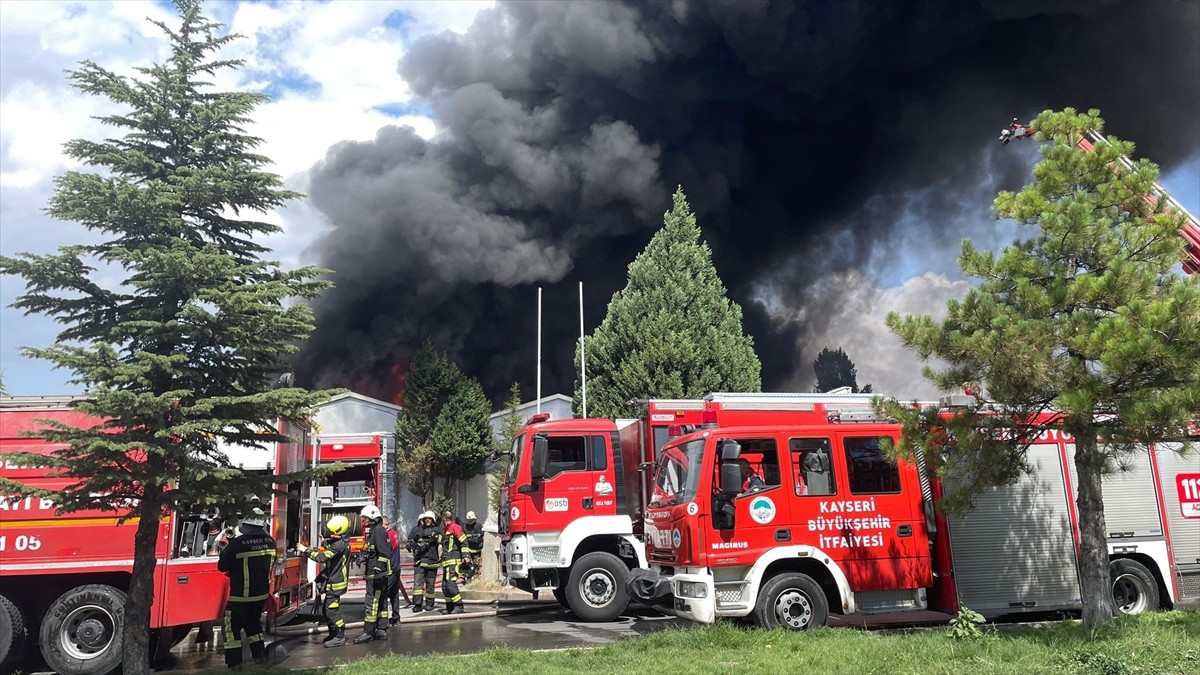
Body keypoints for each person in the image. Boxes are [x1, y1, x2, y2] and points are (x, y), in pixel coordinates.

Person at [216, 507, 276, 669]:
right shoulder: (270, 541)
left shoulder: (238, 543)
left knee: (230, 628)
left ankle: (235, 665)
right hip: (260, 594)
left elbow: (222, 566)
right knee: (253, 624)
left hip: (240, 596)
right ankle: (259, 657)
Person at [296, 515, 351, 648]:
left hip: (336, 583)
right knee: (327, 611)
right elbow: (332, 546)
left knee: (331, 611)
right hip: (335, 581)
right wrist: (323, 542)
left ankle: (339, 636)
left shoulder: (339, 545)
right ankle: (333, 634)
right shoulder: (343, 541)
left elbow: (322, 557)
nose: (331, 534)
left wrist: (305, 550)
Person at [354, 504, 393, 643]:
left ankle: (368, 632)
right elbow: (375, 551)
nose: (363, 521)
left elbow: (384, 552)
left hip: (376, 576)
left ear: (371, 517)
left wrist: (377, 568)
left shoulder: (378, 531)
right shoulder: (374, 531)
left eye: (364, 518)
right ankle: (381, 629)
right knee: (381, 603)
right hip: (378, 575)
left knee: (371, 603)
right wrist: (364, 556)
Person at [407, 511, 440, 612]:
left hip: (432, 562)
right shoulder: (418, 530)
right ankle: (417, 604)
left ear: (433, 520)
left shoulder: (437, 530)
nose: (427, 520)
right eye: (426, 518)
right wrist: (412, 545)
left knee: (430, 585)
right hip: (419, 562)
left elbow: (443, 540)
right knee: (417, 585)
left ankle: (429, 604)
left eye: (429, 518)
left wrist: (435, 537)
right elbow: (410, 542)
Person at [440, 510, 468, 615]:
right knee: (444, 586)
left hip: (453, 562)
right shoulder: (446, 529)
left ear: (444, 518)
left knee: (450, 584)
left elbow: (464, 541)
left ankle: (459, 605)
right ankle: (449, 607)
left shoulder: (455, 527)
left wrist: (466, 556)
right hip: (446, 562)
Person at [381, 516, 406, 625]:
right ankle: (396, 618)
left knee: (384, 595)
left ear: (386, 525)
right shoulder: (394, 533)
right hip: (396, 568)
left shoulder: (388, 535)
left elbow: (384, 552)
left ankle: (383, 621)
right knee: (394, 594)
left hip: (390, 570)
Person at [460, 511, 484, 582]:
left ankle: (476, 578)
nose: (470, 521)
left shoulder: (479, 526)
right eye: (469, 520)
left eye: (471, 520)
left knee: (476, 564)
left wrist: (478, 540)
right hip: (468, 549)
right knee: (467, 565)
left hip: (477, 550)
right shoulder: (464, 527)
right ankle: (467, 578)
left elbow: (483, 535)